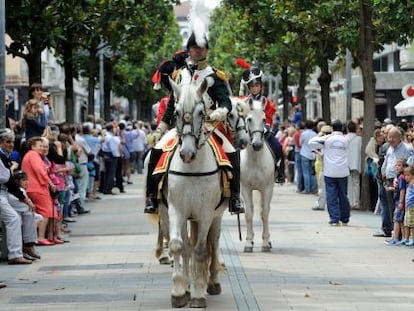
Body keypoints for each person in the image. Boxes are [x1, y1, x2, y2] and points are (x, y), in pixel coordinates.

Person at [144, 35, 244, 215]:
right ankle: (151, 196)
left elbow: (225, 102)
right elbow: (171, 106)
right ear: (189, 50)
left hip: (207, 125)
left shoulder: (215, 75)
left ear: (206, 50)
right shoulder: (179, 75)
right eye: (195, 48)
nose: (199, 51)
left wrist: (219, 112)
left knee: (231, 153)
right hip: (181, 127)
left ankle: (235, 197)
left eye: (202, 48)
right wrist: (161, 129)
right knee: (156, 150)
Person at [240, 66, 285, 183]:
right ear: (249, 88)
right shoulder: (244, 101)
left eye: (256, 86)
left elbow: (269, 116)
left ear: (261, 86)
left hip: (263, 130)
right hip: (248, 132)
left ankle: (280, 172)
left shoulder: (266, 101)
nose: (254, 88)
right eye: (252, 86)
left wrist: (266, 127)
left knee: (278, 147)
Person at [0, 128, 34, 264]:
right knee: (13, 219)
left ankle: (28, 243)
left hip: (5, 192)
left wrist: (24, 199)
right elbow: (8, 180)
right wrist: (23, 197)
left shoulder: (5, 155)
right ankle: (15, 254)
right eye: (8, 142)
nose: (11, 145)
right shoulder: (2, 156)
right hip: (3, 192)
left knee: (27, 210)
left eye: (12, 142)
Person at [309, 120, 351, 225]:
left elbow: (311, 143)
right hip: (343, 171)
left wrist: (323, 136)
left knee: (331, 195)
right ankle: (345, 218)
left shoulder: (327, 139)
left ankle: (334, 218)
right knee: (343, 196)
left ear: (332, 128)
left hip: (330, 171)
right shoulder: (346, 140)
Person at [21, 136, 59, 245]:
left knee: (52, 212)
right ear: (33, 147)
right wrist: (50, 183)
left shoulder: (34, 155)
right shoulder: (33, 155)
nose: (43, 148)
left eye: (44, 146)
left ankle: (51, 236)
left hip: (38, 187)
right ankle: (42, 237)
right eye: (40, 146)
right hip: (37, 187)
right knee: (46, 212)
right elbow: (39, 171)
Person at [375, 126, 411, 237]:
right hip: (387, 180)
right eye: (389, 137)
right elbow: (387, 162)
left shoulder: (406, 149)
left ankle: (398, 233)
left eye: (393, 137)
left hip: (399, 181)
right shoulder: (389, 148)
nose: (390, 139)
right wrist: (384, 175)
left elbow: (408, 166)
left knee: (397, 206)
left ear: (399, 137)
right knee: (387, 205)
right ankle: (389, 229)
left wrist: (400, 177)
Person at [8, 170, 41, 259]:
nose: (26, 182)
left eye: (27, 179)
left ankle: (28, 245)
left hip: (19, 213)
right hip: (14, 213)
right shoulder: (15, 192)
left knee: (35, 216)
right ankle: (28, 245)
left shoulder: (22, 190)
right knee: (28, 212)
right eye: (23, 180)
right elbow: (27, 208)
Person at [384, 159, 407, 245]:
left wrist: (401, 202)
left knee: (397, 220)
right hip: (398, 201)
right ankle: (403, 238)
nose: (397, 167)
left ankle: (395, 238)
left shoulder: (401, 177)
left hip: (399, 202)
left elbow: (402, 190)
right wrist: (391, 188)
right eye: (396, 165)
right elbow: (398, 189)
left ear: (404, 167)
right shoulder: (400, 177)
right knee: (400, 220)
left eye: (399, 165)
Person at [345, 121, 362, 209]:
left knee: (348, 183)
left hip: (346, 164)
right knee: (356, 183)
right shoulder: (359, 139)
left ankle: (349, 201)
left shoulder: (345, 138)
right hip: (356, 163)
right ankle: (356, 202)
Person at [300, 120, 317, 194]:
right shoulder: (315, 134)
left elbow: (300, 143)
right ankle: (313, 188)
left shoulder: (303, 134)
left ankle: (307, 189)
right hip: (313, 154)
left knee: (306, 172)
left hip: (304, 153)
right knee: (313, 172)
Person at [403, 165, 414, 246]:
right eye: (405, 175)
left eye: (408, 175)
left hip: (412, 206)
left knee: (412, 224)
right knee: (406, 223)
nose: (406, 177)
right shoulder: (408, 184)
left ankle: (412, 238)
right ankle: (406, 238)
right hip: (407, 206)